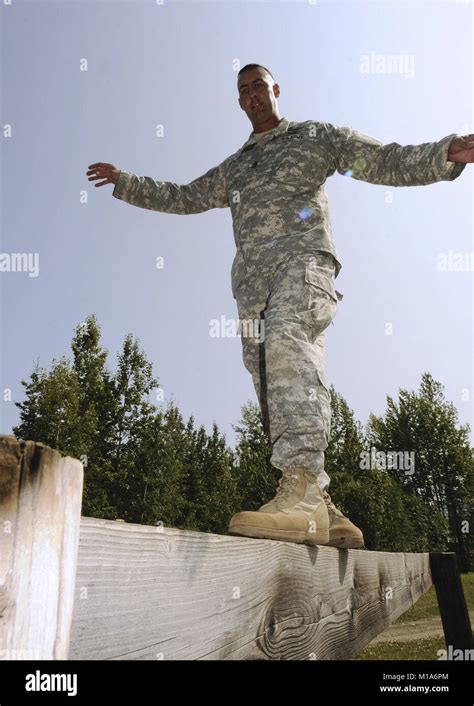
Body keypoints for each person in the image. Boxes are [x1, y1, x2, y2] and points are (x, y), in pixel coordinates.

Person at [86, 63, 471, 549]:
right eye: (242, 90)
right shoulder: (235, 166)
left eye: (258, 86)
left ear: (276, 90)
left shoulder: (314, 136)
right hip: (253, 289)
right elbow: (183, 196)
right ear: (240, 100)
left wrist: (445, 154)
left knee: (290, 342)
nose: (251, 95)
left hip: (303, 264)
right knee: (274, 385)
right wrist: (125, 181)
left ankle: (302, 489)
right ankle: (322, 506)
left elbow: (380, 159)